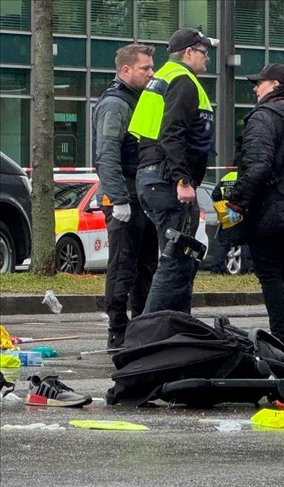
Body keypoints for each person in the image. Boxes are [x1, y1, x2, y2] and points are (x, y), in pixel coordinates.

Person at [224, 64, 284, 346]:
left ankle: (279, 339)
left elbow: (257, 167)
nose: (255, 88)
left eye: (259, 83)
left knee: (269, 273)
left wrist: (237, 202)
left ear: (274, 85)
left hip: (271, 207)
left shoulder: (263, 118)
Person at [128, 28, 218, 314]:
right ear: (189, 52)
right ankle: (154, 331)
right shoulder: (182, 80)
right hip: (167, 180)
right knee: (176, 259)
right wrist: (182, 179)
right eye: (204, 52)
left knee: (178, 258)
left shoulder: (162, 78)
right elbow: (172, 134)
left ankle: (175, 328)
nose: (208, 59)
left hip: (153, 177)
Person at [93, 43, 157, 349]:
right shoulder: (117, 103)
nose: (151, 72)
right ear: (126, 70)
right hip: (125, 198)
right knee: (122, 266)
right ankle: (118, 332)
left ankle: (140, 329)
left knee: (145, 266)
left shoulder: (137, 100)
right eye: (145, 67)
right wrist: (117, 199)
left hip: (141, 197)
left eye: (151, 66)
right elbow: (106, 153)